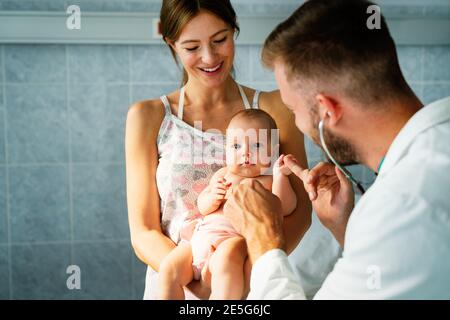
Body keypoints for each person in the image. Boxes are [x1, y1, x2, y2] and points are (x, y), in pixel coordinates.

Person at [223, 0, 450, 299]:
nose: (297, 123)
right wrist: (345, 227)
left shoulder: (403, 204)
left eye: (293, 110)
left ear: (326, 111)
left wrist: (263, 240)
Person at [125, 0, 312, 300]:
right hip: (177, 278)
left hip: (248, 281)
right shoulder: (148, 116)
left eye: (219, 40)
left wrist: (246, 270)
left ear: (233, 30)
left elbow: (300, 212)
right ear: (171, 44)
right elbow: (143, 231)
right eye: (191, 47)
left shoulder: (274, 108)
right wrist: (198, 282)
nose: (209, 57)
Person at [157, 109, 296, 300]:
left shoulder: (268, 181)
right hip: (199, 238)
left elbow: (285, 207)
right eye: (236, 146)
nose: (245, 153)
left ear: (273, 151)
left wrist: (280, 176)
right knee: (168, 270)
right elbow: (202, 206)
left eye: (256, 145)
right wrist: (212, 196)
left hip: (232, 240)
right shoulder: (223, 175)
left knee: (226, 266)